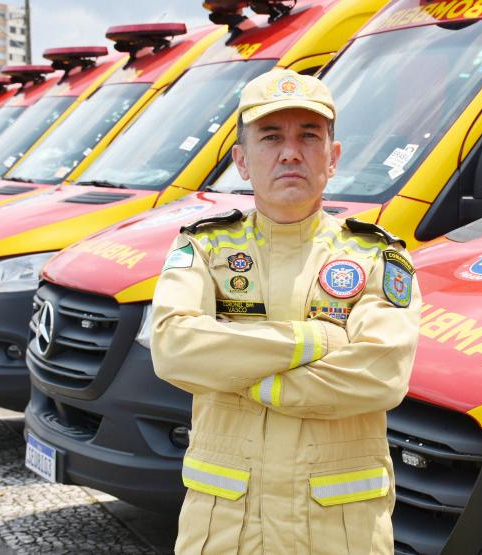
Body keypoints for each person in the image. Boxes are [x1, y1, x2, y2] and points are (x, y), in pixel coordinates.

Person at [151, 68, 422, 554]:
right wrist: (318, 341)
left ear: (333, 157)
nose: (291, 152)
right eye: (271, 136)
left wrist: (242, 375)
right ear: (242, 161)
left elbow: (380, 374)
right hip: (227, 530)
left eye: (308, 136)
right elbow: (174, 348)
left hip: (339, 531)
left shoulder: (374, 257)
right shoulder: (205, 248)